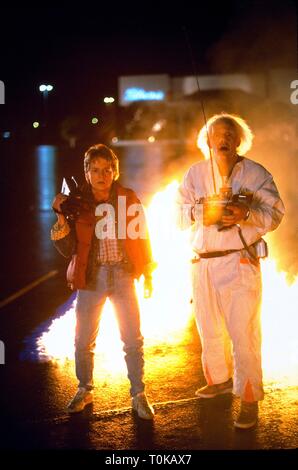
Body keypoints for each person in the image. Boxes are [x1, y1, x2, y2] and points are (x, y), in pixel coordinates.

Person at [176, 113, 285, 429]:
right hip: (202, 263)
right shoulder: (194, 174)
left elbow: (275, 213)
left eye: (229, 134)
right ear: (206, 141)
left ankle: (249, 399)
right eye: (216, 134)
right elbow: (178, 216)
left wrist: (246, 212)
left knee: (243, 333)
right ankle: (219, 380)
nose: (222, 139)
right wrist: (201, 211)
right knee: (208, 328)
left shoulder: (255, 174)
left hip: (238, 263)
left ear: (239, 140)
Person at [51, 144, 155, 419]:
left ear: (115, 171)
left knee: (132, 339)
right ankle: (85, 389)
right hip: (92, 278)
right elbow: (67, 248)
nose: (101, 175)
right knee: (83, 340)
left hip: (123, 276)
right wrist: (61, 213)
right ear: (86, 173)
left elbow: (142, 235)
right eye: (95, 170)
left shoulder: (127, 197)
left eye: (107, 170)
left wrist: (148, 273)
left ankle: (138, 394)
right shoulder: (77, 202)